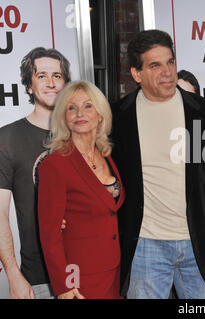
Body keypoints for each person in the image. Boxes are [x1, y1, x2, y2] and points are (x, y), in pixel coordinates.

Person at [111, 29, 205, 299]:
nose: (167, 72)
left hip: (197, 244)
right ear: (137, 74)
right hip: (144, 247)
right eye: (155, 65)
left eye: (170, 62)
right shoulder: (117, 118)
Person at [37, 80, 124, 299]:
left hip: (114, 270)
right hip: (79, 276)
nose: (79, 113)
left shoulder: (107, 156)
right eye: (71, 108)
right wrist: (65, 286)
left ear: (100, 114)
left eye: (87, 106)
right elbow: (50, 235)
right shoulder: (55, 165)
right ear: (63, 117)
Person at [0, 47, 70, 299]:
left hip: (89, 272)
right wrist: (13, 274)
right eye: (41, 76)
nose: (51, 83)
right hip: (39, 279)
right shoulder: (8, 138)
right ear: (29, 86)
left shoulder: (84, 134)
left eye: (58, 76)